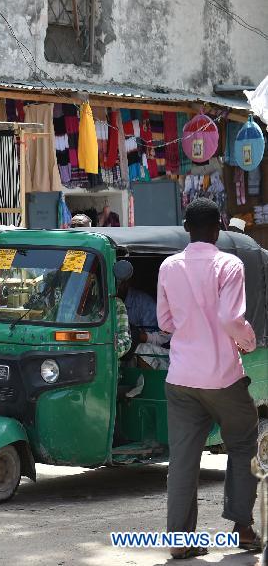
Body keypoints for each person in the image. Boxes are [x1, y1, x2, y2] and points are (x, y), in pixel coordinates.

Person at [157, 198, 259, 559]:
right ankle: (243, 528)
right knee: (245, 443)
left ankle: (180, 540)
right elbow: (231, 318)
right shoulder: (229, 264)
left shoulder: (169, 267)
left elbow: (164, 323)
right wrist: (248, 340)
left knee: (183, 459)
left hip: (181, 377)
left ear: (187, 228)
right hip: (223, 377)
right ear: (219, 228)